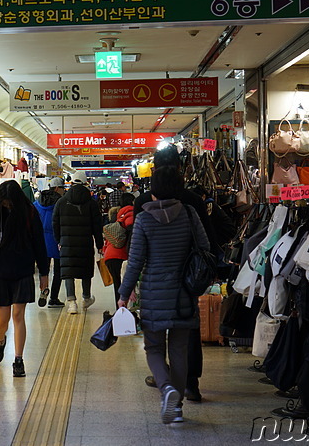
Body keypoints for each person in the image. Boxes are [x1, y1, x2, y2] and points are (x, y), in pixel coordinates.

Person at [118, 166, 210, 424]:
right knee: (180, 350)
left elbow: (135, 262)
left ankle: (166, 388)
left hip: (153, 293)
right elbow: (204, 248)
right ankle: (177, 406)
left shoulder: (144, 220)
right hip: (184, 293)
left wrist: (124, 294)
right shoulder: (190, 214)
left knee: (154, 347)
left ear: (153, 190)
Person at [134, 145, 216, 402]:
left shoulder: (143, 203)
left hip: (154, 285)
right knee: (186, 338)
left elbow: (137, 254)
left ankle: (165, 382)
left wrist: (126, 291)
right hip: (187, 284)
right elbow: (206, 242)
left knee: (155, 343)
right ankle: (190, 385)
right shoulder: (192, 201)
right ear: (181, 169)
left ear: (154, 170)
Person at [0, 180, 49, 378]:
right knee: (2, 320)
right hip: (1, 271)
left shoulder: (29, 213)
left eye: (9, 201)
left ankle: (18, 360)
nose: (7, 204)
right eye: (4, 201)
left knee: (18, 315)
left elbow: (40, 244)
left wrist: (44, 273)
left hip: (24, 270)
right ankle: (0, 342)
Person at [53, 170, 102, 314]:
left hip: (67, 242)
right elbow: (97, 226)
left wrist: (59, 240)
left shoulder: (61, 202)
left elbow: (55, 223)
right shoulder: (91, 203)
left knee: (69, 271)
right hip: (85, 243)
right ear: (85, 183)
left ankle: (72, 302)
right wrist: (99, 244)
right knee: (85, 270)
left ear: (72, 182)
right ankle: (86, 298)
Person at [33, 177, 66, 307]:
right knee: (58, 271)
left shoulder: (37, 203)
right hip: (57, 239)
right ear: (57, 188)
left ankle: (43, 290)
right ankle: (53, 298)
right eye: (63, 188)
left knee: (43, 268)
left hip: (41, 240)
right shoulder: (62, 203)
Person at [102, 201, 134, 308]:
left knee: (117, 284)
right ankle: (124, 309)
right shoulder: (130, 218)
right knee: (125, 285)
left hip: (109, 257)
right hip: (121, 257)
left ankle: (119, 310)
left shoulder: (117, 224)